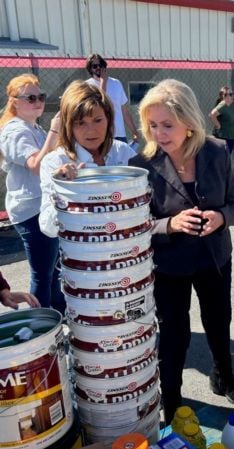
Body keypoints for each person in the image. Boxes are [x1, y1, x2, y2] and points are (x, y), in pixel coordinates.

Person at [128, 79, 234, 425]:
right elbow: (135, 227)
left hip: (214, 257)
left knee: (218, 320)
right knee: (175, 334)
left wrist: (220, 217)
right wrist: (170, 224)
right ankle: (173, 397)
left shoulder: (216, 151)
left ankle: (224, 377)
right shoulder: (142, 164)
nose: (159, 133)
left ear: (189, 122)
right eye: (152, 125)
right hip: (169, 264)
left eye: (167, 124)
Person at [0, 74, 64, 311]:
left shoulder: (32, 126)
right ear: (14, 101)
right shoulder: (15, 131)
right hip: (31, 210)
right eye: (30, 98)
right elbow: (36, 165)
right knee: (43, 274)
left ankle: (57, 312)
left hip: (40, 206)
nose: (38, 101)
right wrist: (55, 132)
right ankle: (41, 326)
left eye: (41, 96)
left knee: (53, 267)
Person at [39, 81, 136, 236]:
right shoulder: (56, 161)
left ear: (109, 119)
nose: (91, 130)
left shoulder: (123, 152)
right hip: (84, 255)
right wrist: (63, 191)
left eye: (98, 120)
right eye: (80, 123)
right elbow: (48, 228)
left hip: (125, 251)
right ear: (68, 126)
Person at [85, 53, 139, 143]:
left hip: (120, 135)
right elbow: (98, 103)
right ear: (90, 69)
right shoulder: (87, 86)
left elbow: (124, 111)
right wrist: (103, 82)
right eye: (95, 66)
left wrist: (134, 131)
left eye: (100, 65)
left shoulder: (116, 83)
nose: (98, 68)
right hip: (102, 135)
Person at [209, 86, 234, 166]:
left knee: (225, 160)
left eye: (232, 94)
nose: (232, 96)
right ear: (224, 96)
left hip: (229, 136)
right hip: (223, 137)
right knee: (221, 160)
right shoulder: (223, 105)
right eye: (230, 94)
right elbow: (212, 115)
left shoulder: (230, 105)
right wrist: (218, 126)